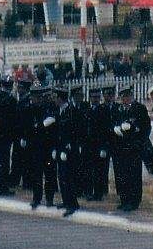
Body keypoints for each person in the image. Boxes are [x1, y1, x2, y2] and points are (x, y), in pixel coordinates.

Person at [109, 87, 150, 212]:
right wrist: (115, 129)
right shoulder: (118, 109)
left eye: (127, 96)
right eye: (123, 97)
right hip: (121, 147)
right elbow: (112, 123)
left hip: (133, 147)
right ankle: (124, 199)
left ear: (131, 96)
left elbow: (146, 127)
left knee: (134, 175)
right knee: (122, 175)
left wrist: (135, 132)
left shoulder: (139, 108)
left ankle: (134, 201)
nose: (125, 99)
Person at [24, 85, 60, 210]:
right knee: (36, 174)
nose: (34, 100)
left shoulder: (49, 108)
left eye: (36, 97)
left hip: (48, 146)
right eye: (33, 97)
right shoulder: (30, 109)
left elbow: (54, 128)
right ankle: (36, 198)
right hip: (35, 147)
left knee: (49, 173)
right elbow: (28, 128)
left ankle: (49, 198)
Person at [54, 88, 85, 216]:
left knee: (69, 178)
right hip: (61, 150)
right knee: (62, 177)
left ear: (61, 98)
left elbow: (76, 132)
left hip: (70, 151)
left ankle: (73, 204)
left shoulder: (72, 112)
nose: (54, 99)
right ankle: (66, 201)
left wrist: (67, 148)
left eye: (56, 97)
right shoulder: (60, 111)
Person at [84, 86, 114, 201]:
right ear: (90, 98)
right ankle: (88, 192)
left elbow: (106, 130)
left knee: (99, 171)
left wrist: (105, 147)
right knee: (88, 170)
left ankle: (98, 194)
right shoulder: (87, 109)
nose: (95, 99)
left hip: (99, 145)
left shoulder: (104, 110)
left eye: (97, 97)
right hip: (88, 145)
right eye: (93, 97)